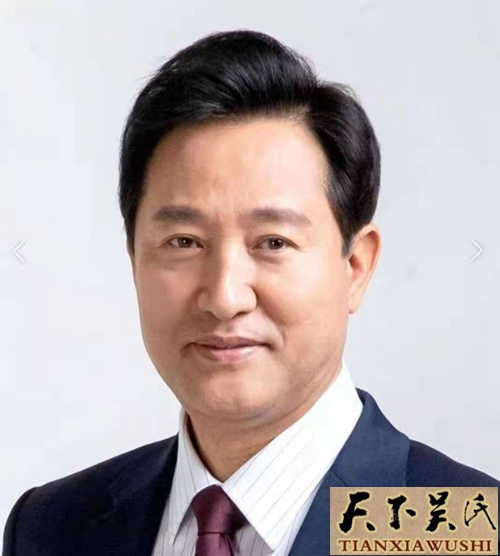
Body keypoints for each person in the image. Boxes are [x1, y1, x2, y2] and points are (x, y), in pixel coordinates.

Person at [3, 30, 498, 556]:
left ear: (356, 266)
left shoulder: (465, 532)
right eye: (184, 242)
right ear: (134, 261)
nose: (224, 296)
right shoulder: (52, 529)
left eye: (273, 242)